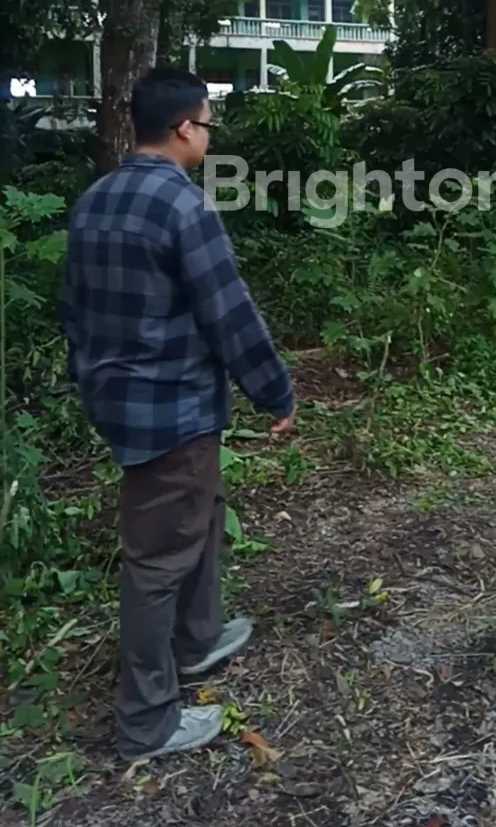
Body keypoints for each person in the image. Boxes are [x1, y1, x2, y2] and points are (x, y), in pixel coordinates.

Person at [60, 67, 296, 761]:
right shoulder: (183, 207)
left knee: (201, 513)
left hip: (124, 401)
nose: (209, 136)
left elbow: (73, 309)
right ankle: (146, 721)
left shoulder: (96, 199)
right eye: (208, 124)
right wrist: (275, 393)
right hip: (171, 407)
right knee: (158, 558)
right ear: (185, 128)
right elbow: (230, 314)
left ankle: (197, 640)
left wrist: (94, 381)